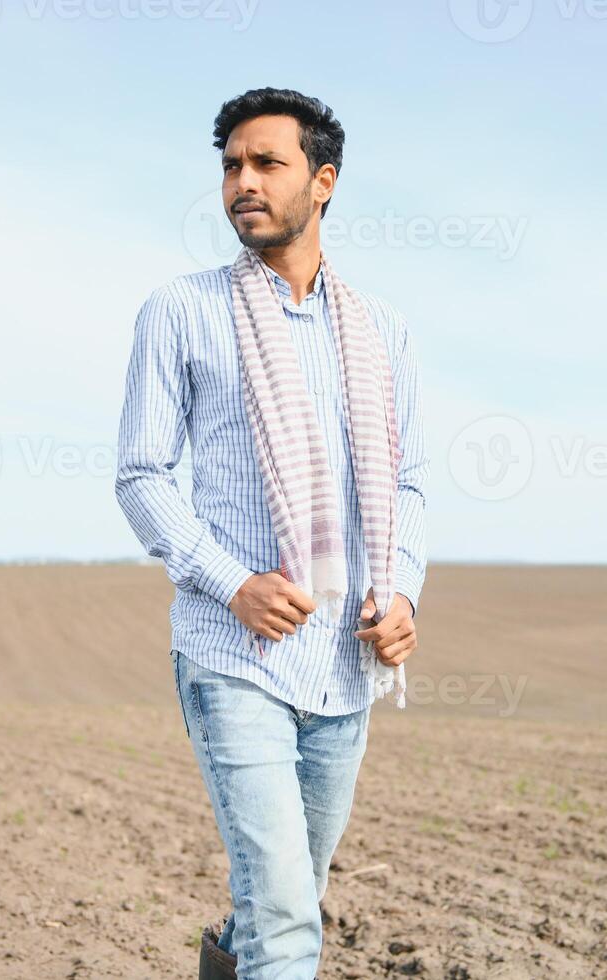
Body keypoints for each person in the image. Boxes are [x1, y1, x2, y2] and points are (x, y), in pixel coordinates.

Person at [114, 86, 429, 979]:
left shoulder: (383, 332)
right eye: (229, 166)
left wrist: (401, 591)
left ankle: (227, 957)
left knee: (282, 895)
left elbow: (407, 483)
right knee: (288, 914)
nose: (240, 182)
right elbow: (141, 474)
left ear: (322, 182)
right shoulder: (182, 310)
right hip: (231, 653)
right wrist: (230, 581)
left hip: (342, 664)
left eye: (265, 163)